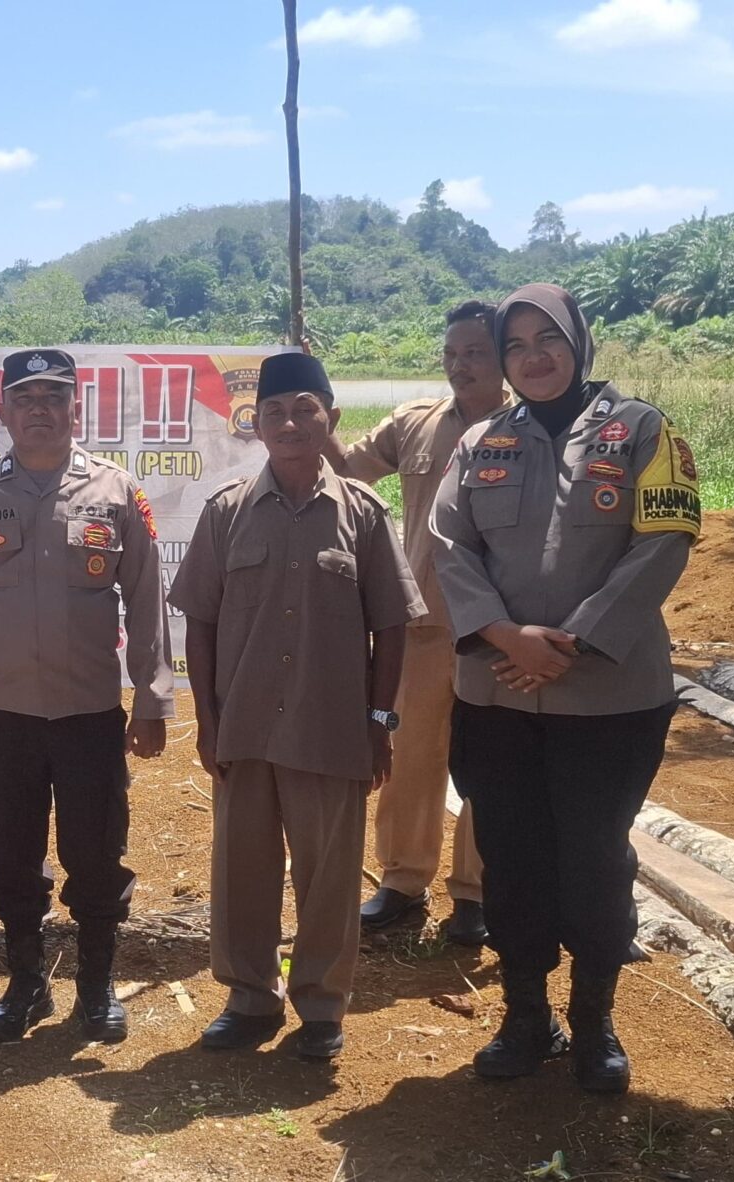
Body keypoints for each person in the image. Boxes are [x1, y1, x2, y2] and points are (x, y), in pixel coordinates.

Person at [429, 282, 701, 1094]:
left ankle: (593, 1022)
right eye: (514, 346)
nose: (532, 357)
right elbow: (449, 541)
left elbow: (665, 538)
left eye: (546, 339)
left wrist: (574, 643)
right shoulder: (481, 441)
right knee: (510, 858)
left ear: (579, 341)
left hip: (609, 699)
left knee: (592, 859)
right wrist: (507, 637)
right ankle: (525, 1018)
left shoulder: (644, 429)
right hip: (498, 695)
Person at [169, 351, 423, 1063]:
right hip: (244, 728)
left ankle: (321, 1006)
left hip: (332, 727)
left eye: (304, 409)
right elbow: (202, 621)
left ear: (330, 420)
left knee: (330, 875)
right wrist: (209, 721)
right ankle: (250, 998)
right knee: (242, 871)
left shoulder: (364, 514)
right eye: (275, 411)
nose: (289, 423)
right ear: (256, 424)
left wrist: (380, 725)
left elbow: (393, 626)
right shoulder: (225, 514)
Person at [0, 347, 172, 1044]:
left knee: (96, 855)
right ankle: (27, 983)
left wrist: (152, 700)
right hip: (5, 717)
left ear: (76, 409)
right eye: (26, 398)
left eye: (54, 397)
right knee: (9, 856)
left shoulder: (115, 492)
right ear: (2, 410)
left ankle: (95, 989)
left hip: (90, 714)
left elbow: (148, 603)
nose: (39, 410)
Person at [323, 301, 510, 947]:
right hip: (428, 624)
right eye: (453, 353)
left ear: (505, 357)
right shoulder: (418, 423)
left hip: (502, 633)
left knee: (490, 768)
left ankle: (478, 895)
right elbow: (347, 472)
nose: (461, 365)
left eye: (476, 353)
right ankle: (403, 883)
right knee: (409, 760)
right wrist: (324, 424)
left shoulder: (531, 429)